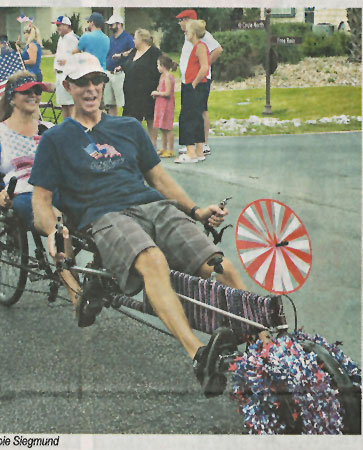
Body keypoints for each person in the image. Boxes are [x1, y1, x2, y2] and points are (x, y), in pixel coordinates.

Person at [29, 52, 249, 397]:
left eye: (96, 81)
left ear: (104, 84)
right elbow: (40, 200)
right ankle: (198, 356)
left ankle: (267, 348)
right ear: (67, 87)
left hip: (152, 207)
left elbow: (159, 178)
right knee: (152, 260)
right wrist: (54, 229)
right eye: (82, 82)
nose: (91, 89)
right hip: (103, 215)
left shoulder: (128, 126)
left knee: (219, 264)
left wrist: (195, 211)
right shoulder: (55, 139)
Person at [0, 70, 80, 306]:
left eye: (37, 91)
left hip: (57, 188)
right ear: (12, 98)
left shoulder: (47, 129)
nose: (35, 95)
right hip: (24, 193)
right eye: (28, 91)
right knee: (58, 225)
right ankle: (77, 295)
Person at [176, 9, 223, 157]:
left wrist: (204, 66)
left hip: (198, 80)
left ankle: (203, 144)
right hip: (187, 80)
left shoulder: (204, 36)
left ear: (189, 20)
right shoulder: (188, 36)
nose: (179, 23)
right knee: (189, 111)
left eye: (182, 20)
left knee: (200, 110)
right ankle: (193, 143)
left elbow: (218, 49)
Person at [119, 29, 161, 150]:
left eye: (135, 38)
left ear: (142, 39)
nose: (133, 40)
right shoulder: (134, 51)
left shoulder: (154, 52)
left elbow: (163, 67)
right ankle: (133, 142)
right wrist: (121, 67)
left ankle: (153, 143)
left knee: (150, 116)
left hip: (148, 90)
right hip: (131, 91)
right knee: (131, 117)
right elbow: (128, 64)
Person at [175, 20, 209, 164]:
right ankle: (199, 151)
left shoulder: (200, 47)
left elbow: (204, 67)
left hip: (195, 86)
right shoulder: (196, 46)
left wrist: (193, 83)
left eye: (187, 32)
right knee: (196, 117)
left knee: (187, 117)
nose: (186, 34)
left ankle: (190, 152)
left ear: (193, 34)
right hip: (193, 85)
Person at [104, 14, 135, 116]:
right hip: (109, 73)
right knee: (110, 103)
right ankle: (113, 125)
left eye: (111, 25)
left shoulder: (128, 38)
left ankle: (125, 123)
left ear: (119, 24)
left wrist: (122, 62)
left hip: (121, 74)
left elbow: (133, 53)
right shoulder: (110, 39)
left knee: (123, 102)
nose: (109, 27)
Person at [52, 15, 79, 119]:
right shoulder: (61, 38)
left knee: (71, 104)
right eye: (57, 25)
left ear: (67, 26)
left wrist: (67, 62)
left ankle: (73, 128)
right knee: (63, 105)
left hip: (68, 75)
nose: (57, 28)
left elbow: (79, 57)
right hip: (59, 74)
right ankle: (65, 128)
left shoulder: (73, 39)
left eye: (59, 25)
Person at [151, 53, 177, 158]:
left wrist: (157, 93)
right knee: (162, 127)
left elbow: (167, 93)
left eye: (158, 65)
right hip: (161, 105)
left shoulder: (167, 77)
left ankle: (170, 149)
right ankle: (164, 148)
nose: (157, 67)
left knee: (167, 128)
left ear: (163, 66)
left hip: (166, 106)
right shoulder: (162, 76)